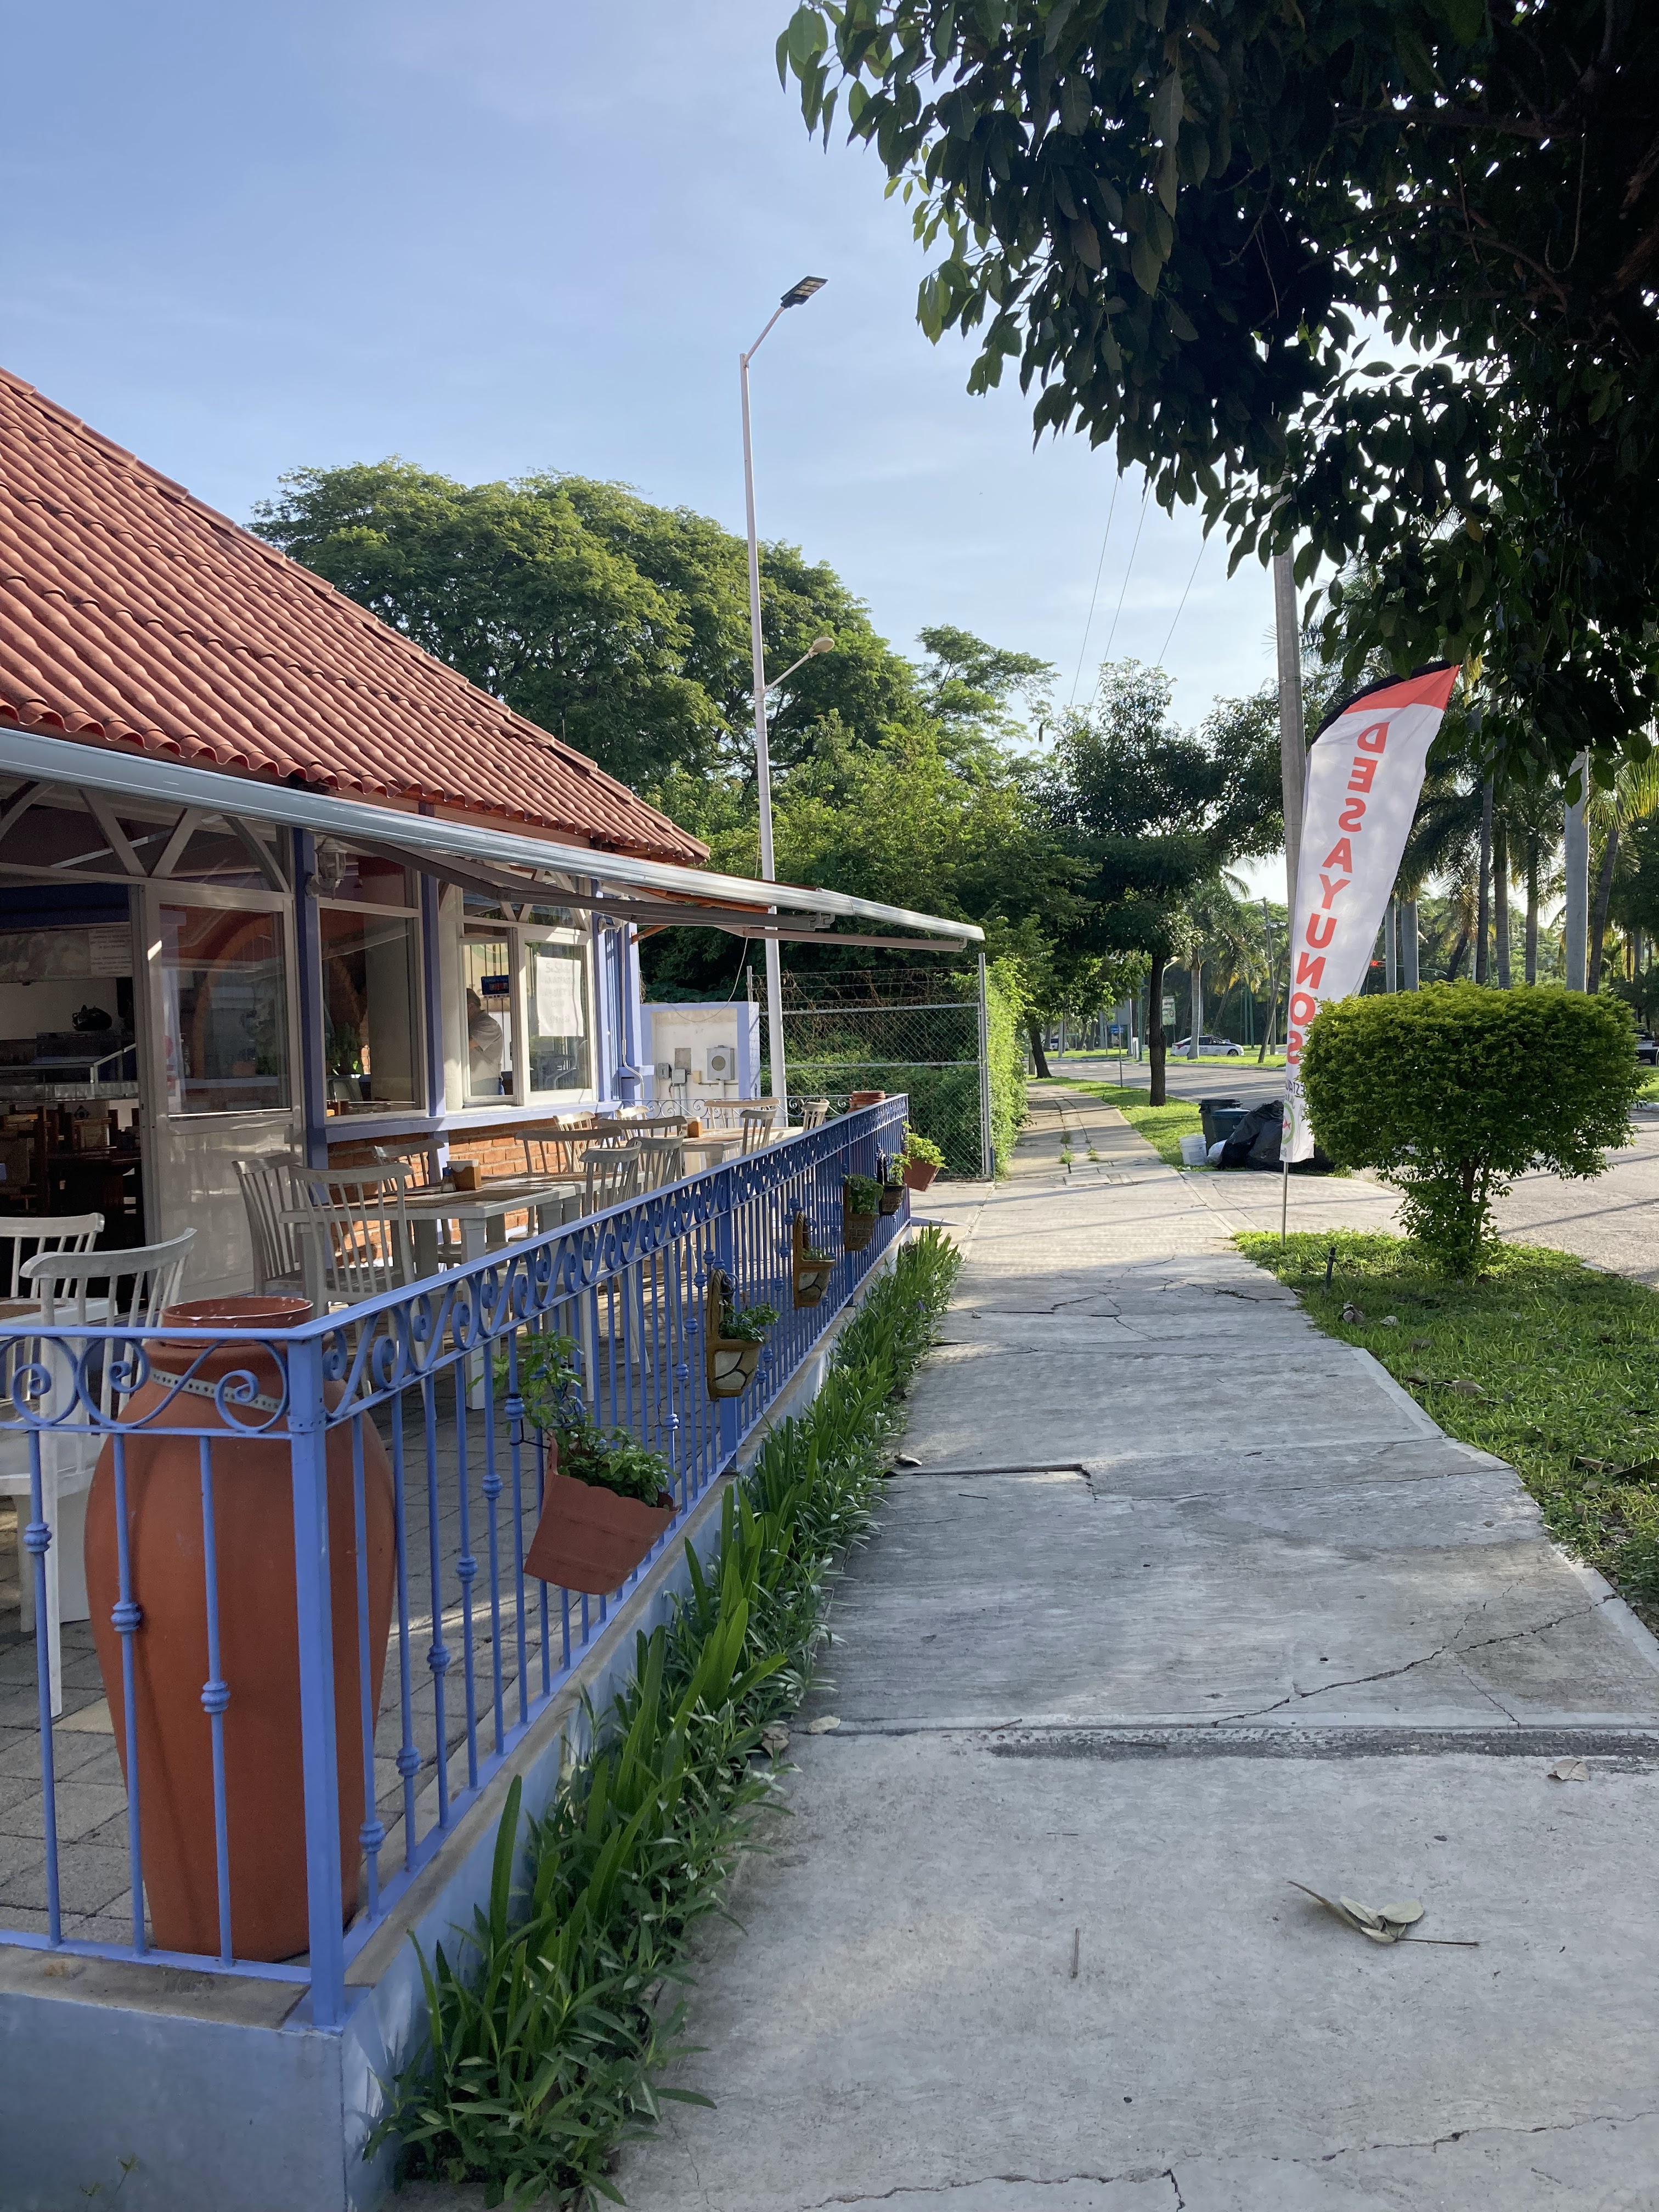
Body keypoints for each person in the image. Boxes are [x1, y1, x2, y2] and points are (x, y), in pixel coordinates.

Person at [467, 988, 505, 1093]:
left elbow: (467, 1045)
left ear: (470, 1006)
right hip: (475, 1083)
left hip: (486, 1083)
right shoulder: (471, 1025)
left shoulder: (488, 1024)